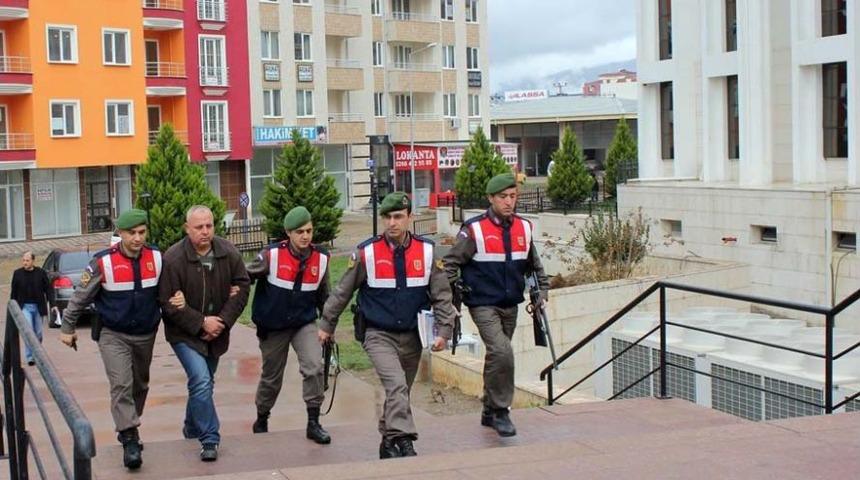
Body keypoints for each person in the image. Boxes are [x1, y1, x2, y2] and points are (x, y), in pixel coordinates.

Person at [319, 192, 455, 459]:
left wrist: (445, 330)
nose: (392, 223)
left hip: (413, 336)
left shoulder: (427, 251)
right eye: (387, 217)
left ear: (409, 218)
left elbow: (442, 295)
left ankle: (387, 440)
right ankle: (405, 441)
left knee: (400, 392)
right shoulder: (366, 252)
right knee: (396, 387)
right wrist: (327, 324)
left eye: (398, 217)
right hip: (378, 334)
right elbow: (342, 292)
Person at [59, 209, 183, 470]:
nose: (137, 238)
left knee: (140, 384)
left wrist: (180, 297)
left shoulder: (157, 258)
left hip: (146, 334)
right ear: (120, 234)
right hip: (113, 334)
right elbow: (81, 295)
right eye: (131, 233)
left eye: (141, 232)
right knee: (121, 384)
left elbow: (170, 290)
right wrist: (67, 327)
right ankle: (130, 438)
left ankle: (129, 424)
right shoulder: (102, 262)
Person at [443, 173, 549, 437]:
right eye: (503, 197)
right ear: (491, 199)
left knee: (496, 356)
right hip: (482, 303)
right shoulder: (474, 229)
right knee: (503, 352)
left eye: (513, 196)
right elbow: (451, 263)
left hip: (510, 303)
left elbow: (533, 264)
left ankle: (489, 410)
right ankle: (502, 411)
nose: (509, 202)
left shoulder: (524, 227)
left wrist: (542, 290)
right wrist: (450, 295)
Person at [159, 205, 250, 462]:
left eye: (209, 225)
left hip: (217, 333)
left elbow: (242, 286)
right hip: (184, 335)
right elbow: (166, 303)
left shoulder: (228, 252)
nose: (205, 231)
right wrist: (201, 323)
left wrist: (221, 321)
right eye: (199, 227)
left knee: (203, 383)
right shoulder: (173, 259)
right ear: (187, 228)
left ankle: (191, 427)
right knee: (200, 380)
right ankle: (210, 438)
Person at [246, 206, 331, 444]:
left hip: (304, 323)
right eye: (299, 232)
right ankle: (262, 416)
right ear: (288, 233)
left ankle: (313, 422)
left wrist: (328, 326)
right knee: (272, 377)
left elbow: (325, 297)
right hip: (273, 326)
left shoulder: (321, 259)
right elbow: (245, 276)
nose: (305, 236)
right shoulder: (271, 255)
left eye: (309, 230)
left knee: (314, 367)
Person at [10, 251, 51, 366]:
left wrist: (53, 305)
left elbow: (48, 290)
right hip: (24, 307)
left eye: (27, 260)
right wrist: (13, 308)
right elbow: (13, 292)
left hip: (38, 307)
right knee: (29, 331)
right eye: (23, 260)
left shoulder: (41, 273)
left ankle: (37, 353)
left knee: (38, 333)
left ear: (33, 261)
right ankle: (30, 357)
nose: (25, 263)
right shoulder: (17, 274)